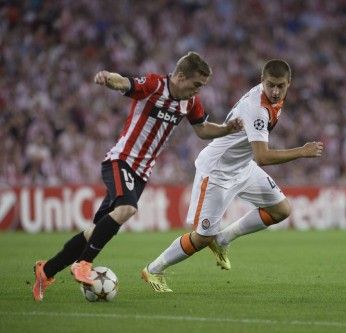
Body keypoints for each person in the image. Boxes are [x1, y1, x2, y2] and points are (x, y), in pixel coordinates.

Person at [32, 51, 244, 301]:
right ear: (179, 76)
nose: (197, 91)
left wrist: (226, 129)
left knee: (96, 231)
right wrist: (107, 77)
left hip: (141, 172)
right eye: (196, 84)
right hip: (121, 160)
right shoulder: (155, 85)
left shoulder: (191, 103)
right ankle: (83, 264)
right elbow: (125, 82)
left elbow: (202, 130)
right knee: (127, 209)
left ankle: (45, 271)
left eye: (202, 86)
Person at [142, 59, 324, 292]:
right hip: (217, 172)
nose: (275, 91)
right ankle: (153, 269)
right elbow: (263, 157)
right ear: (262, 81)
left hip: (242, 167)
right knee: (202, 237)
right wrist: (302, 151)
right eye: (270, 85)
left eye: (280, 86)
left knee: (281, 210)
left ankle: (224, 239)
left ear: (289, 84)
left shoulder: (273, 99)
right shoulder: (257, 108)